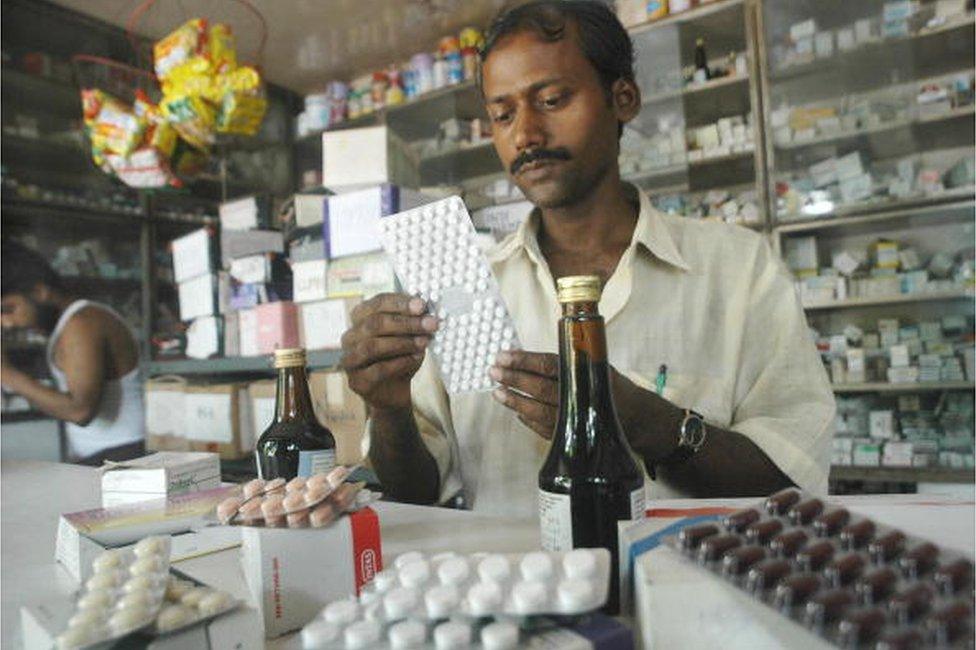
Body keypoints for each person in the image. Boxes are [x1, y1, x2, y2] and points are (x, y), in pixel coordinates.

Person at [339, 0, 835, 514]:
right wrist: (388, 405)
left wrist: (644, 420)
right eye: (502, 115)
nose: (525, 135)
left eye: (552, 99)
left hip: (688, 586)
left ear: (622, 99)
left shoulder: (738, 270)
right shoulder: (464, 292)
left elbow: (792, 477)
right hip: (514, 588)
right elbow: (414, 492)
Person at [1, 239, 145, 464]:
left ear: (39, 291)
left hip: (125, 455)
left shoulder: (81, 322)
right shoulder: (65, 326)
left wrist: (6, 374)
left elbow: (80, 411)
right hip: (106, 455)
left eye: (8, 309)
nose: (7, 323)